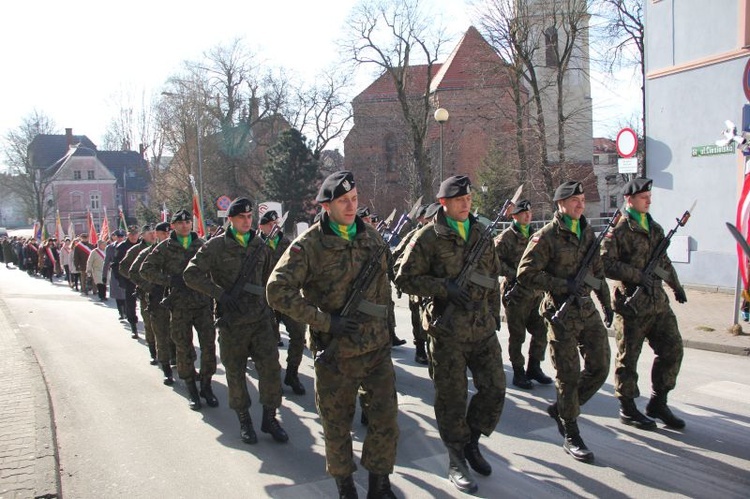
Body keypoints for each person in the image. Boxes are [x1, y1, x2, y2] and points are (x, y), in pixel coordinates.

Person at [267, 171, 399, 499]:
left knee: (385, 421)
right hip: (336, 353)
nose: (351, 206)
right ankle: (345, 487)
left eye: (354, 199)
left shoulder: (373, 239)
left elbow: (384, 294)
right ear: (327, 206)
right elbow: (277, 290)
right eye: (343, 201)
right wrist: (325, 322)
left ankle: (379, 484)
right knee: (337, 425)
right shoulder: (309, 245)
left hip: (376, 350)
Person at [395, 175, 505, 495]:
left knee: (495, 390)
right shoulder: (428, 237)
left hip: (483, 328)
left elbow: (492, 276)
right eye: (459, 200)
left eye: (469, 199)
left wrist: (495, 315)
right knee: (452, 399)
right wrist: (443, 288)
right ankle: (456, 456)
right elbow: (403, 278)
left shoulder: (482, 232)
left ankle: (471, 440)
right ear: (444, 203)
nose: (466, 204)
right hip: (447, 333)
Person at [516, 180, 612, 464]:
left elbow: (597, 272)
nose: (580, 204)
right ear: (560, 204)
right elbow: (525, 274)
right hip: (560, 314)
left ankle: (562, 409)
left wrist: (606, 304)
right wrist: (561, 284)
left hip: (587, 310)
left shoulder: (588, 232)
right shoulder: (546, 236)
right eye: (574, 200)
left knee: (600, 367)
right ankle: (571, 430)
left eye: (582, 199)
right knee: (568, 376)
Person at [185, 198, 288, 445]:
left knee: (271, 370)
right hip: (232, 321)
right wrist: (220, 294)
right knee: (235, 373)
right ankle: (244, 420)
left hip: (261, 320)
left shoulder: (260, 245)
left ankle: (270, 418)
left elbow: (266, 279)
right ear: (230, 219)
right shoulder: (215, 246)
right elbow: (191, 274)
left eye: (249, 217)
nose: (246, 221)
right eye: (241, 217)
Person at [600, 177, 687, 431]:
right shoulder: (618, 229)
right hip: (632, 305)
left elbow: (664, 262)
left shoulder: (655, 227)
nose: (648, 200)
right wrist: (637, 275)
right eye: (643, 197)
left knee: (673, 349)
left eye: (649, 196)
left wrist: (676, 285)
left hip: (657, 302)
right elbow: (605, 264)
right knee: (628, 358)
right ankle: (627, 407)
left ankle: (658, 402)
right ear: (629, 199)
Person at [140, 210, 218, 411]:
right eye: (180, 223)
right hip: (179, 305)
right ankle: (191, 388)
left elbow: (215, 271)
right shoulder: (164, 247)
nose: (184, 226)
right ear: (173, 226)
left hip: (202, 304)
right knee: (183, 348)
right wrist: (169, 280)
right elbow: (145, 270)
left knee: (209, 346)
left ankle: (207, 386)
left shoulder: (202, 245)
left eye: (187, 222)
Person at [494, 199, 552, 389]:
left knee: (541, 331)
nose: (528, 215)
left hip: (536, 294)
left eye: (529, 212)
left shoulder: (536, 236)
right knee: (517, 335)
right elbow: (493, 262)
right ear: (514, 216)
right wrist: (515, 274)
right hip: (516, 293)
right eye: (523, 213)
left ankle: (534, 367)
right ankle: (518, 372)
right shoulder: (505, 238)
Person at [258, 209, 307, 396]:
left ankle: (292, 373)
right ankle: (274, 376)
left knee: (298, 333)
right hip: (265, 299)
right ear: (261, 227)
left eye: (276, 224)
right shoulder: (255, 244)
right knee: (269, 340)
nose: (274, 227)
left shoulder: (287, 243)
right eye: (270, 224)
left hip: (287, 296)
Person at [129, 222, 176, 384]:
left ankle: (176, 360)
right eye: (164, 233)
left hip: (177, 300)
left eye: (170, 233)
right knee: (161, 334)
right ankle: (166, 369)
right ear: (157, 234)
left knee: (177, 333)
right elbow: (134, 272)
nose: (168, 236)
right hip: (157, 300)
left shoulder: (177, 251)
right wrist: (150, 288)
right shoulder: (149, 252)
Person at [391, 204, 430, 365]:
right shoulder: (414, 235)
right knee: (418, 319)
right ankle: (420, 350)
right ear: (420, 218)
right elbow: (395, 256)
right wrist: (402, 281)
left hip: (432, 285)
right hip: (417, 286)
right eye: (426, 216)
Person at [120, 225, 157, 357]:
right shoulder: (136, 250)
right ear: (142, 235)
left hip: (161, 291)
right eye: (149, 233)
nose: (153, 235)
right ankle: (152, 350)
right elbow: (123, 267)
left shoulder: (162, 247)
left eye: (154, 232)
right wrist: (137, 280)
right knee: (148, 321)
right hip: (143, 290)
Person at [104, 230, 127, 319]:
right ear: (115, 237)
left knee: (126, 294)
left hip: (126, 273)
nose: (120, 238)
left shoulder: (128, 246)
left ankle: (126, 311)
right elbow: (106, 262)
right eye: (118, 236)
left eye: (122, 236)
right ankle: (121, 312)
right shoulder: (110, 248)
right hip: (115, 273)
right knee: (118, 294)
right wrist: (104, 276)